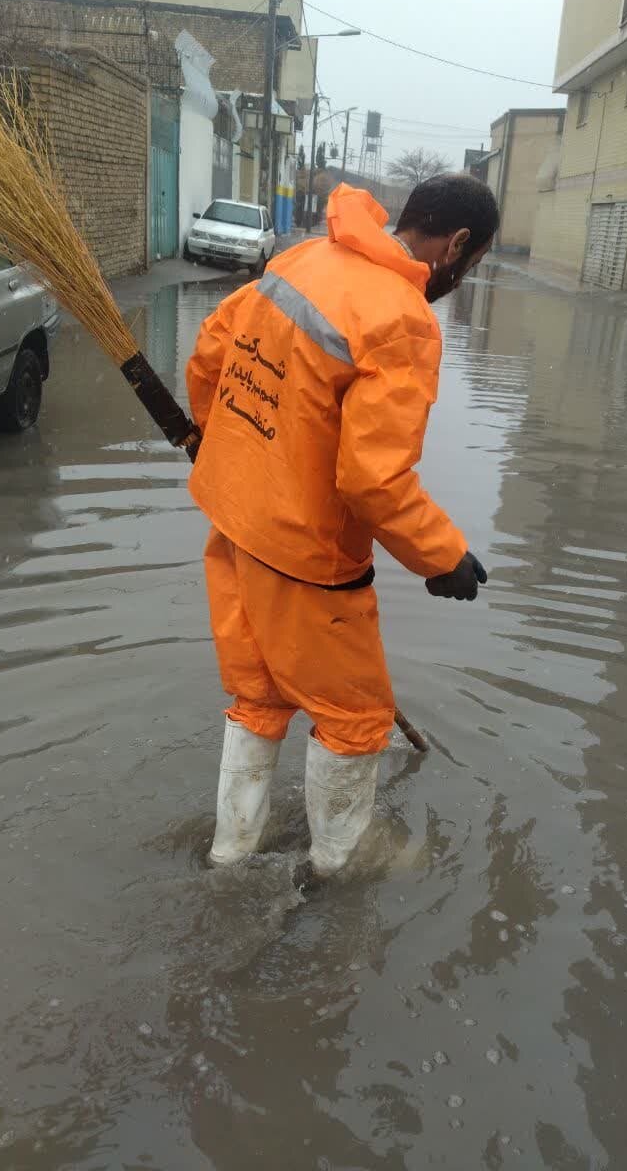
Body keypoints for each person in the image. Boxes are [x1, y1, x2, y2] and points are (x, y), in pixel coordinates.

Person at [185, 174, 499, 877]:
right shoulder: (402, 319)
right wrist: (442, 557)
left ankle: (231, 850)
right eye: (469, 266)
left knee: (260, 696)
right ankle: (343, 861)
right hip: (306, 556)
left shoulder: (300, 261)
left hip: (234, 524)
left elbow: (209, 352)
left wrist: (220, 443)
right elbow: (371, 479)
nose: (459, 277)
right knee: (356, 719)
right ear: (457, 245)